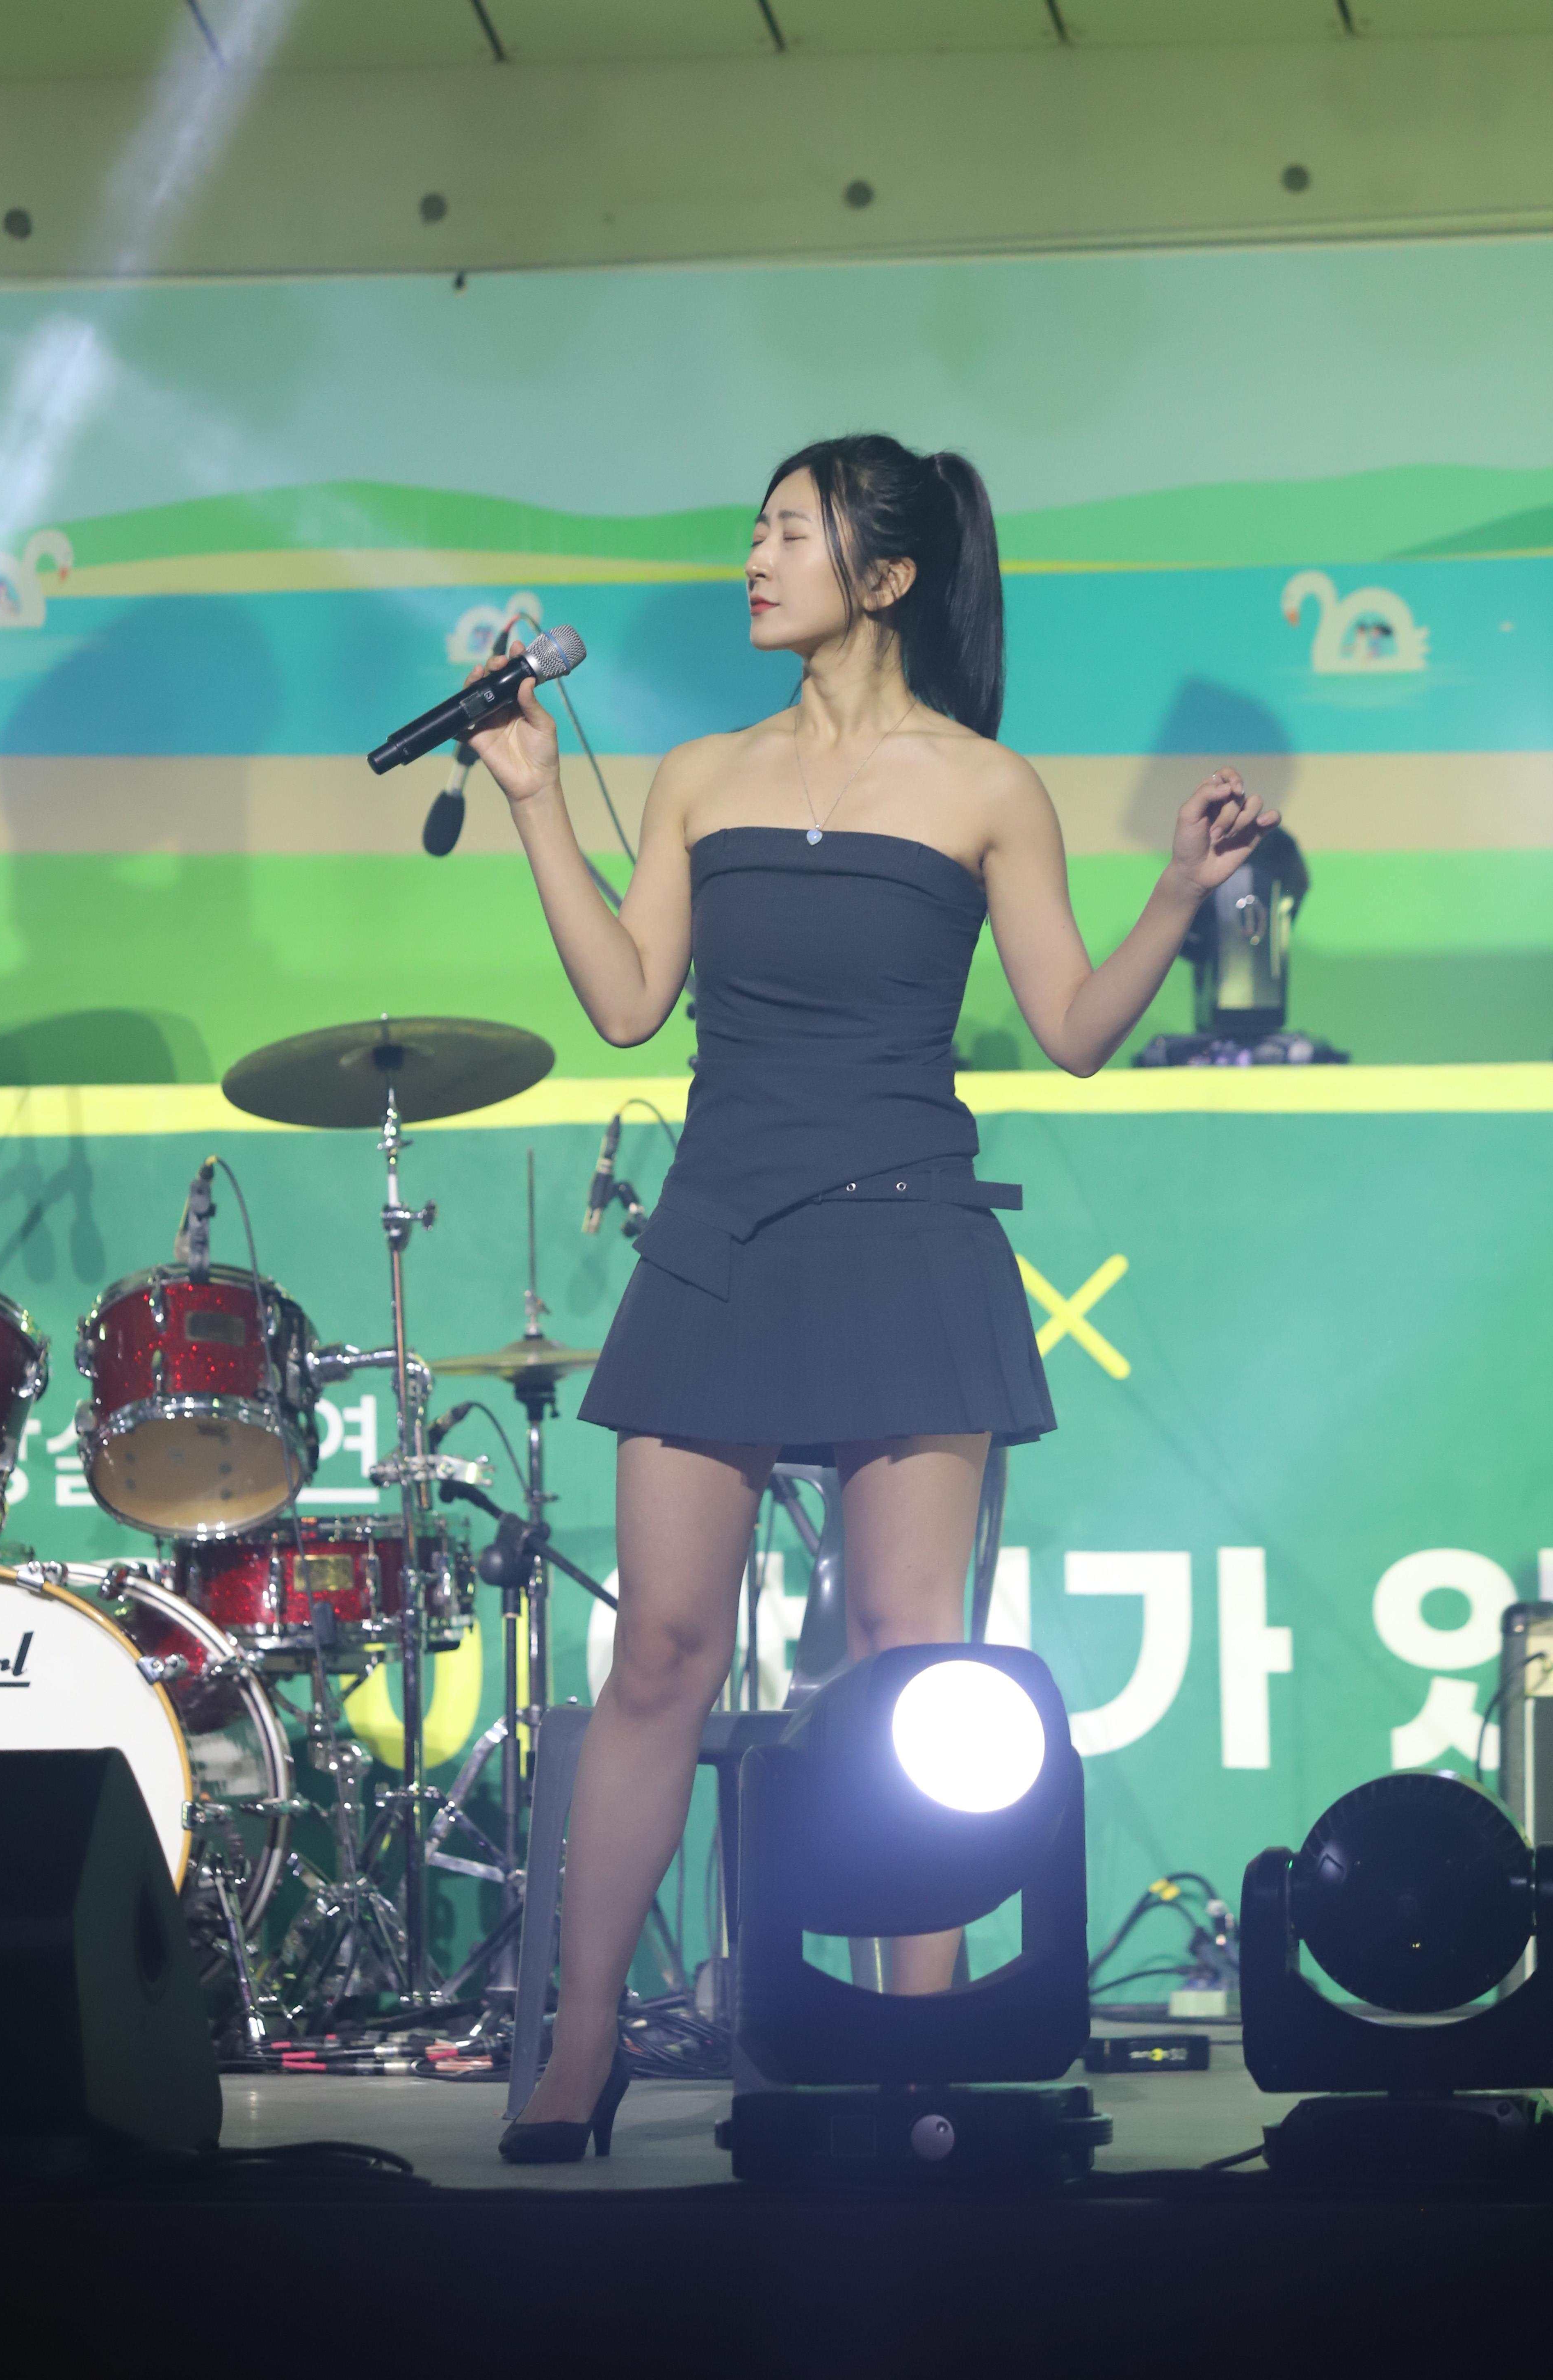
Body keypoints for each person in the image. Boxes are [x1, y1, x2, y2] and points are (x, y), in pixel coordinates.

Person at [466, 432, 1279, 2163]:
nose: (754, 561)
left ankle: (925, 2048)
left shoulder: (984, 785)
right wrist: (536, 801)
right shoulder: (699, 772)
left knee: (917, 1668)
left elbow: (1072, 1029)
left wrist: (1173, 894)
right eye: (754, 532)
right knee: (660, 1653)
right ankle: (582, 2044)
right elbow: (626, 1003)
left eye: (788, 533)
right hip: (720, 1238)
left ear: (885, 575)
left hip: (906, 1238)